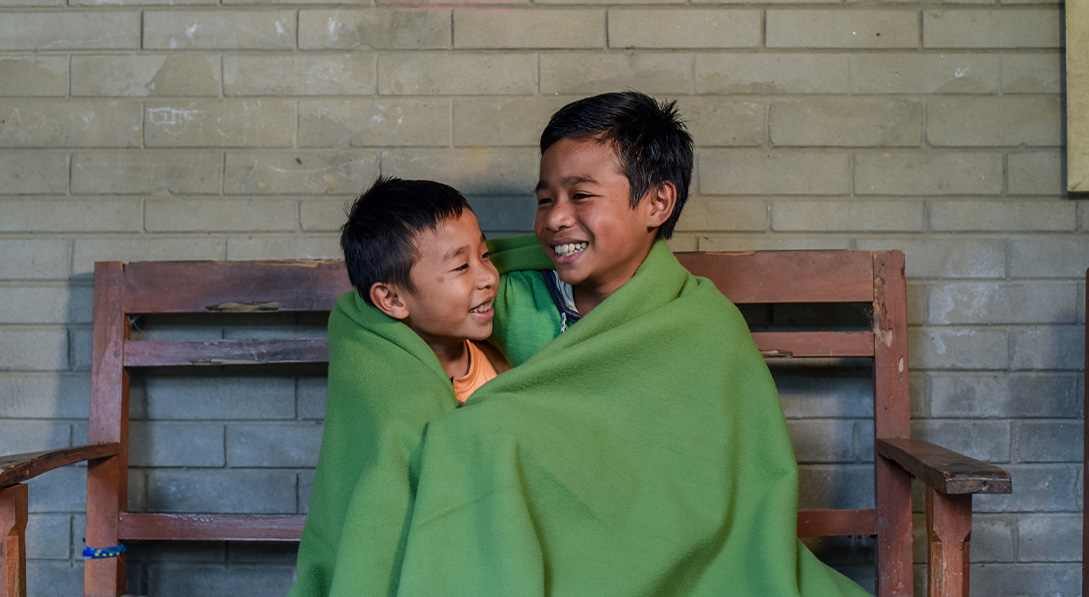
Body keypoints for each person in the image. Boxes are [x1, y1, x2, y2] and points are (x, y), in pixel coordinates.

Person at [291, 92, 870, 596]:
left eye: (581, 196)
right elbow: (372, 322)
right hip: (512, 543)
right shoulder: (506, 295)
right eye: (545, 199)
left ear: (656, 203)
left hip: (646, 544)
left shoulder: (699, 325)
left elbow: (715, 483)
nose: (556, 220)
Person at [339, 177, 510, 402]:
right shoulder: (394, 393)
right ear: (392, 299)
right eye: (461, 266)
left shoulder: (500, 359)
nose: (489, 277)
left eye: (485, 254)